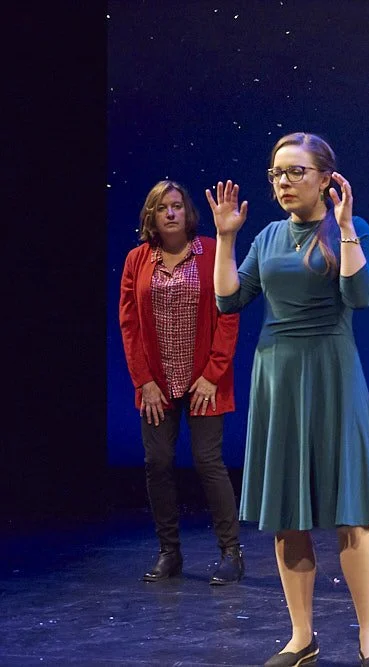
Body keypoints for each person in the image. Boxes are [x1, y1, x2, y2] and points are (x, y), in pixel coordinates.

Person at [208, 132, 369, 666]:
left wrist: (348, 228)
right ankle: (301, 636)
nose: (284, 183)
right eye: (276, 174)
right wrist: (225, 238)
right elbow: (227, 300)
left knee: (351, 511)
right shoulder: (266, 236)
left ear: (325, 179)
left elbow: (359, 296)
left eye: (295, 172)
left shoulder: (351, 232)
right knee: (289, 510)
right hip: (279, 375)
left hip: (333, 371)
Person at [118, 180, 244, 585]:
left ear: (188, 213)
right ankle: (169, 553)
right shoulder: (137, 260)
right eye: (161, 208)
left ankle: (231, 553)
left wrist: (213, 373)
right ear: (151, 218)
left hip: (205, 379)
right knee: (157, 463)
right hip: (156, 382)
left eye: (176, 206)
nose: (170, 213)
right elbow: (130, 325)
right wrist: (144, 381)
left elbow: (229, 311)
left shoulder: (211, 252)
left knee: (208, 461)